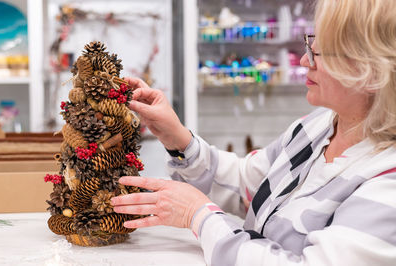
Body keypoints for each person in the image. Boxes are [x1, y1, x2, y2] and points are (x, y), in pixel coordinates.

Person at [111, 0, 396, 265]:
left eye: (320, 52)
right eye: (311, 43)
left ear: (372, 71)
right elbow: (248, 185)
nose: (305, 62)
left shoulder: (387, 184)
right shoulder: (317, 127)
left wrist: (199, 216)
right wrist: (177, 138)